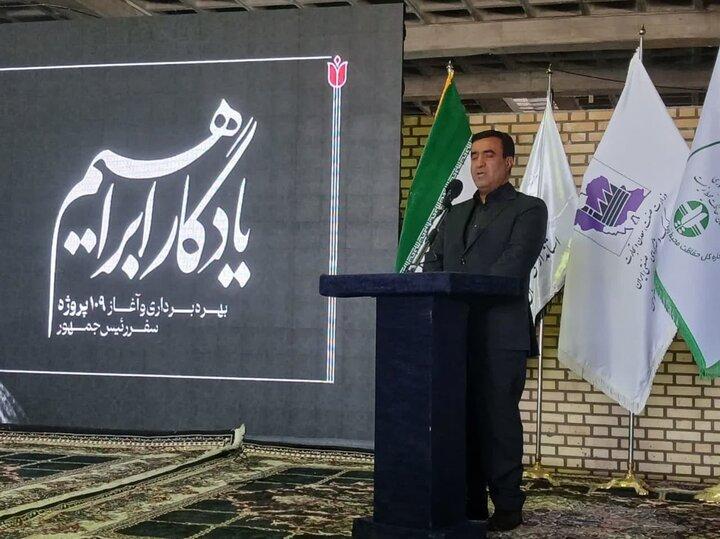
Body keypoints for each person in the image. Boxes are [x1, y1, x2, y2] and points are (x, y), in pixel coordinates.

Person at [424, 130, 547, 532]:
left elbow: (511, 268)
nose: (479, 163)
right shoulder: (454, 212)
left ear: (509, 162)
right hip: (453, 337)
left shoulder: (528, 209)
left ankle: (508, 505)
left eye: (489, 155)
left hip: (500, 336)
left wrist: (456, 294)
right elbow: (433, 266)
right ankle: (469, 503)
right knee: (459, 421)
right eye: (474, 155)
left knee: (497, 424)